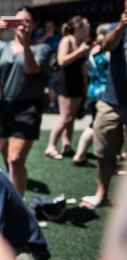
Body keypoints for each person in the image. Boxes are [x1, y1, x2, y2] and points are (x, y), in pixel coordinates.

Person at [0, 8, 52, 194]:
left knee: (14, 159)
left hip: (27, 109)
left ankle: (17, 206)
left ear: (34, 24)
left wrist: (25, 43)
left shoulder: (41, 48)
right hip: (1, 106)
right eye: (18, 21)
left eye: (26, 21)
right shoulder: (2, 46)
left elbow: (31, 69)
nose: (22, 25)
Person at [85, 0, 127, 208]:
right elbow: (107, 45)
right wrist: (121, 25)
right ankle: (102, 194)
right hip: (111, 101)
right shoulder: (116, 28)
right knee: (104, 153)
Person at [44, 16, 90, 160]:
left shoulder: (82, 42)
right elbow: (62, 60)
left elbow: (83, 67)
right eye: (86, 25)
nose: (88, 27)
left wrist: (85, 86)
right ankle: (51, 146)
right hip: (65, 83)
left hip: (77, 83)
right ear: (78, 28)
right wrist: (80, 51)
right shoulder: (67, 40)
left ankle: (67, 145)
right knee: (65, 118)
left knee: (72, 118)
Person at [72, 24, 110, 166]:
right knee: (95, 124)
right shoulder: (108, 53)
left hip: (93, 90)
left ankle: (80, 154)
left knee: (93, 122)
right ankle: (81, 154)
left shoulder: (93, 50)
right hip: (105, 92)